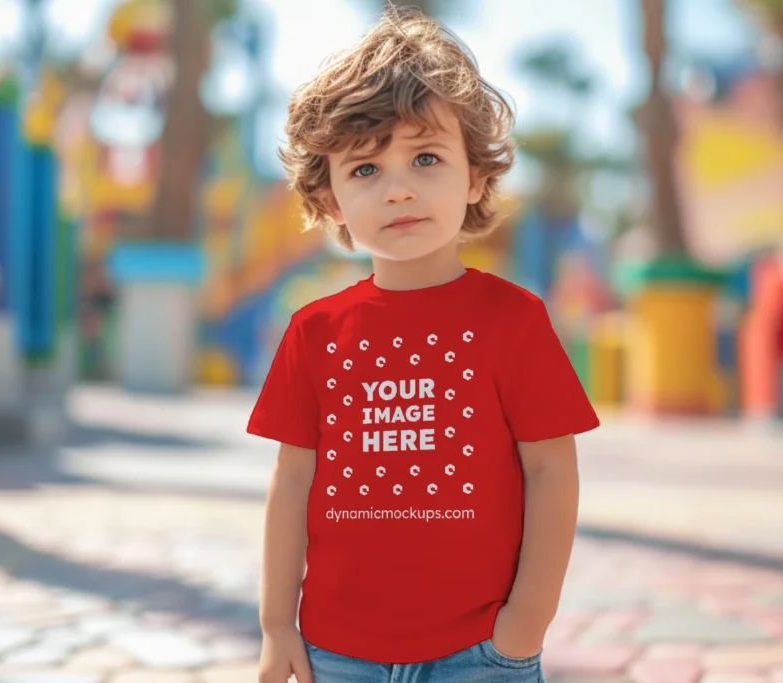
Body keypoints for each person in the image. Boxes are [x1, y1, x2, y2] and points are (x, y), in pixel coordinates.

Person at [247, 6, 600, 682]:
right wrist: (275, 623)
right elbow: (292, 482)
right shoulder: (313, 331)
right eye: (365, 170)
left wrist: (527, 621)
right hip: (336, 650)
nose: (399, 187)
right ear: (329, 203)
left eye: (426, 157)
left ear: (474, 177)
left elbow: (552, 472)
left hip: (483, 650)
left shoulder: (516, 320)